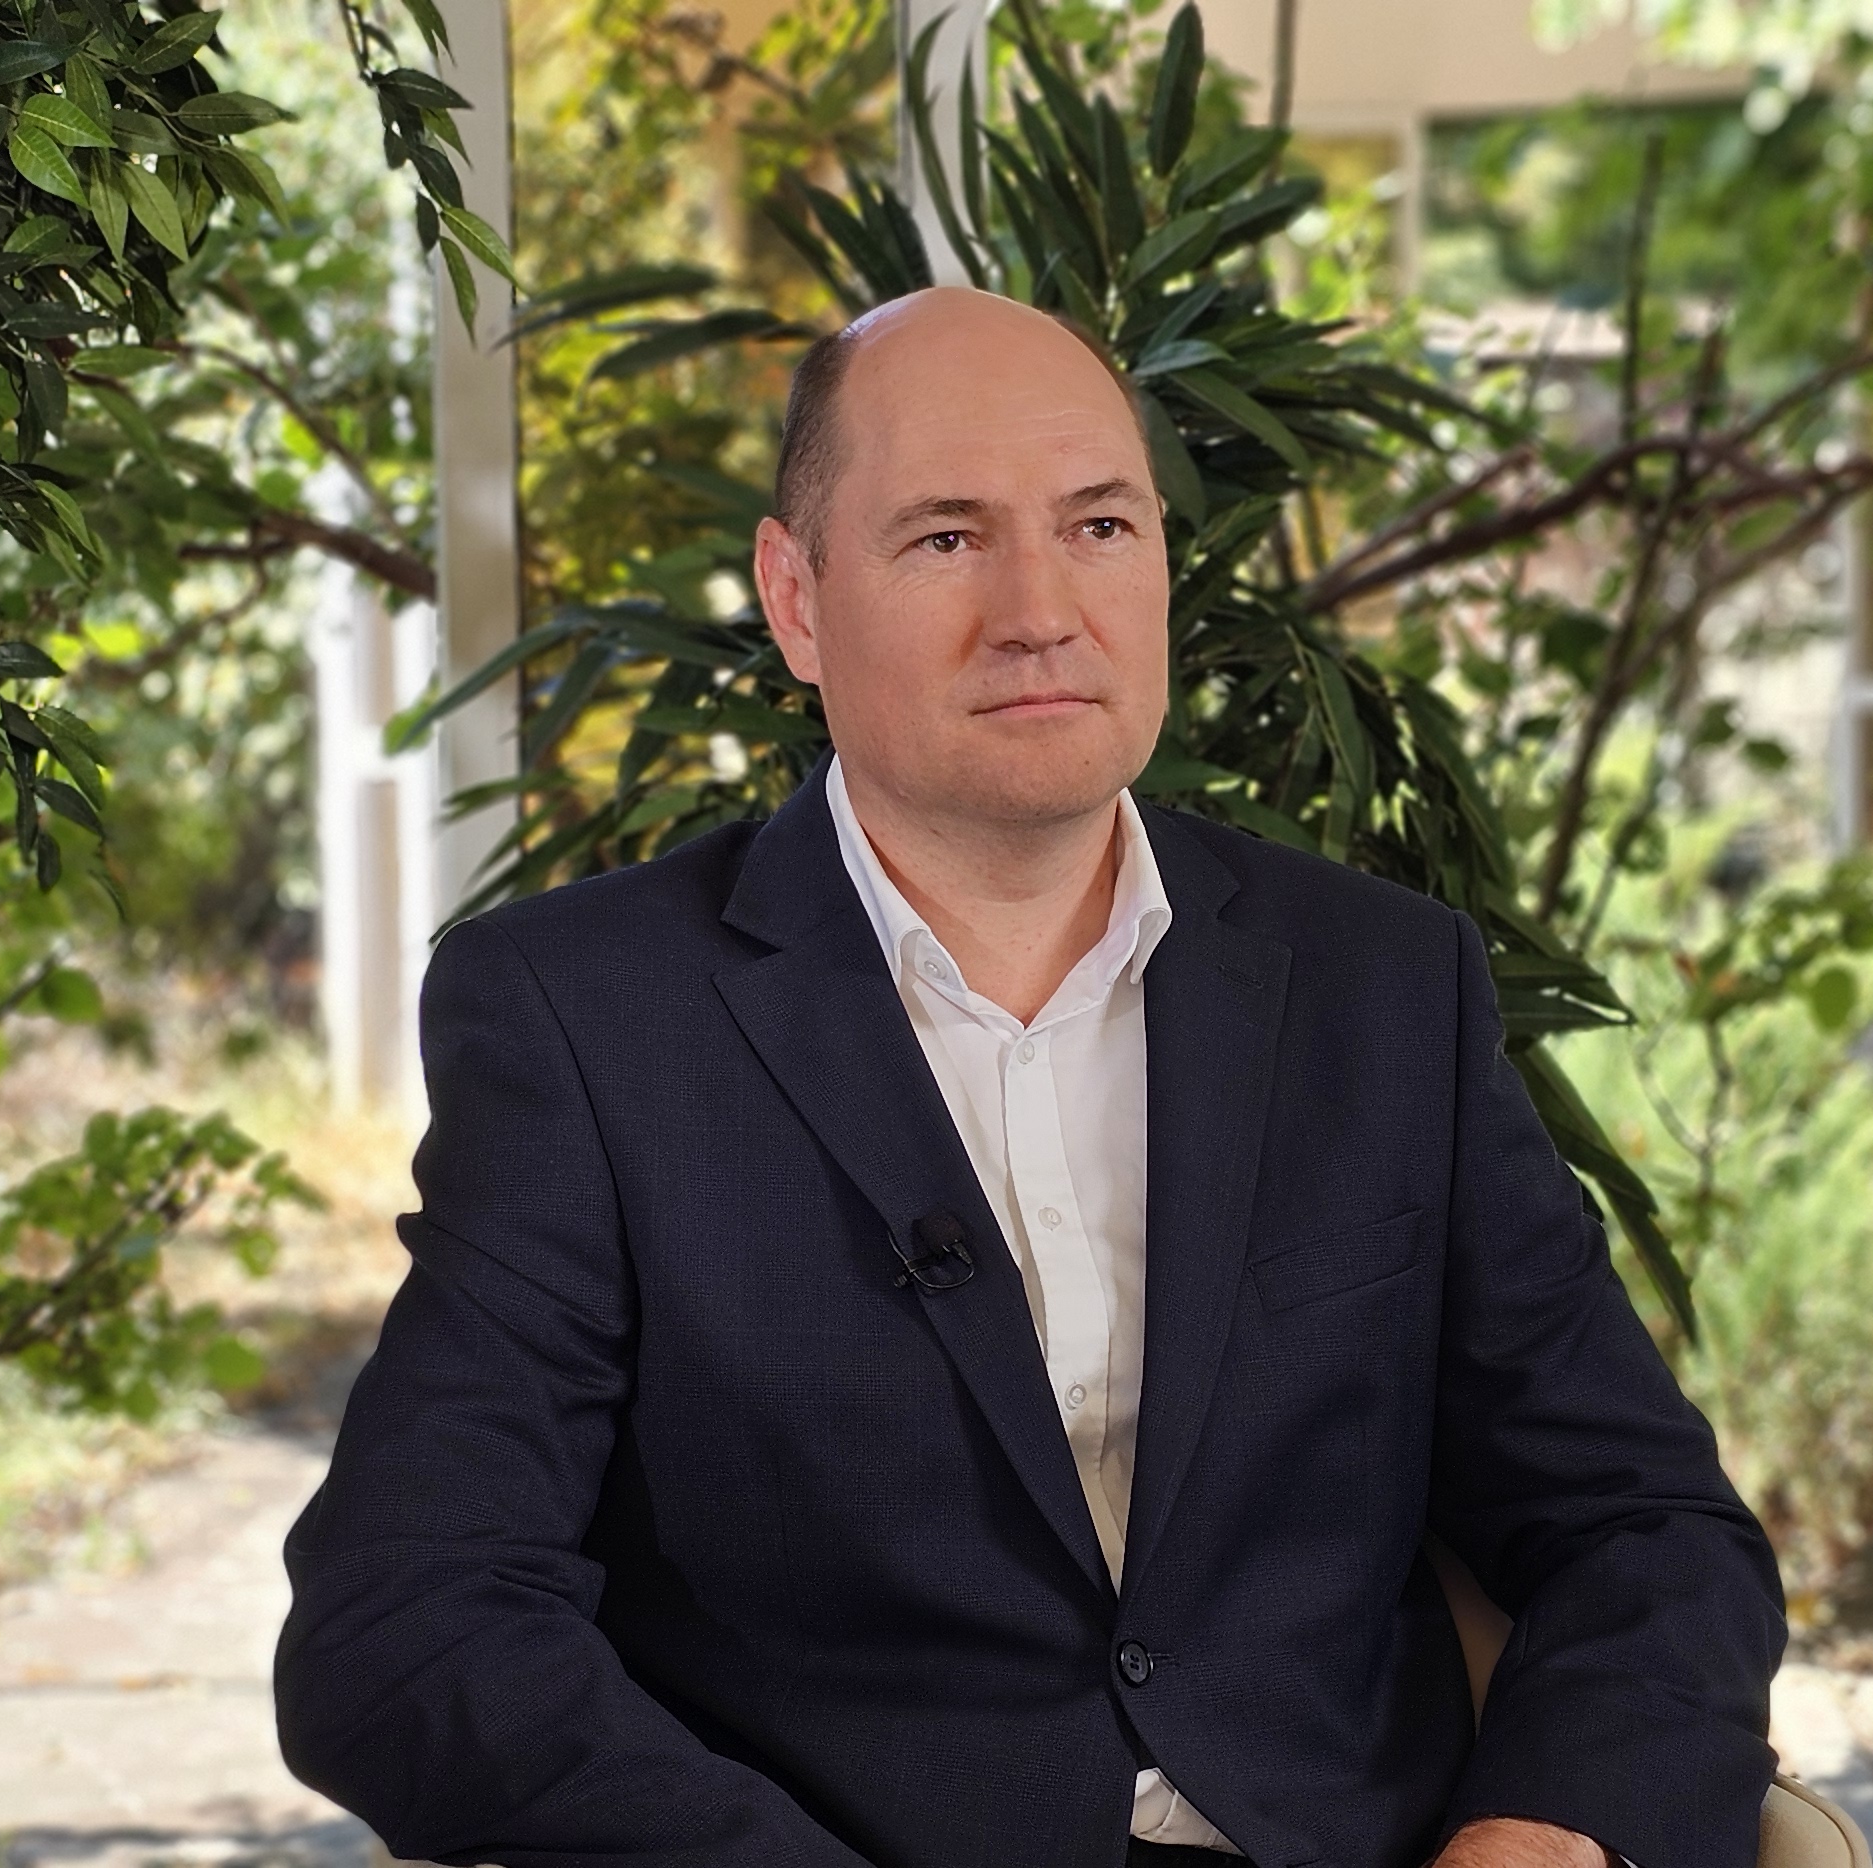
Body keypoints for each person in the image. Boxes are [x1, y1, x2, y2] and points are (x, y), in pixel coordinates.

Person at [274, 286, 1785, 1868]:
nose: (1040, 612)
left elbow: (1643, 1523)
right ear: (796, 597)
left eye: (1099, 527)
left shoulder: (1383, 989)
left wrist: (1545, 1836)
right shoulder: (587, 1017)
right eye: (947, 538)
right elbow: (406, 1622)